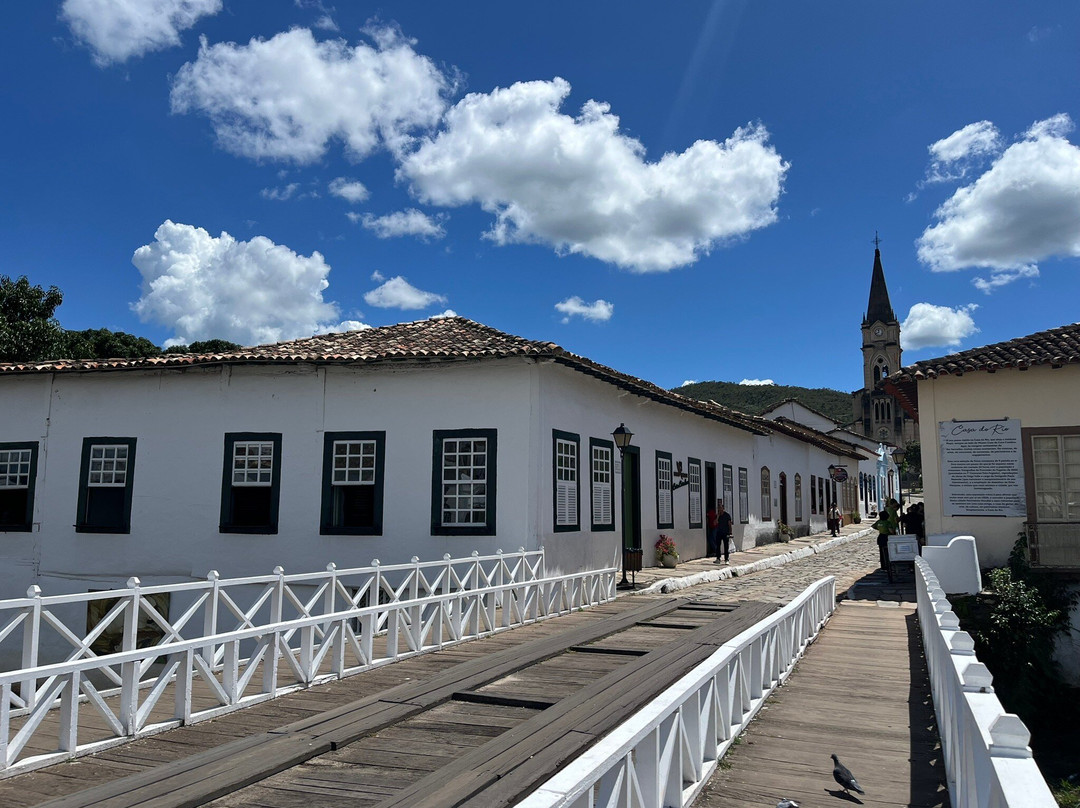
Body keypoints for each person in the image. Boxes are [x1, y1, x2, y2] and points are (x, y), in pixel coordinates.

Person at [873, 498, 900, 573]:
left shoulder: (878, 522)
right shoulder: (888, 523)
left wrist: (880, 529)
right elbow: (891, 531)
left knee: (882, 553)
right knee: (888, 552)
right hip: (887, 537)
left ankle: (883, 566)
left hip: (880, 537)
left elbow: (874, 526)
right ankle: (888, 565)